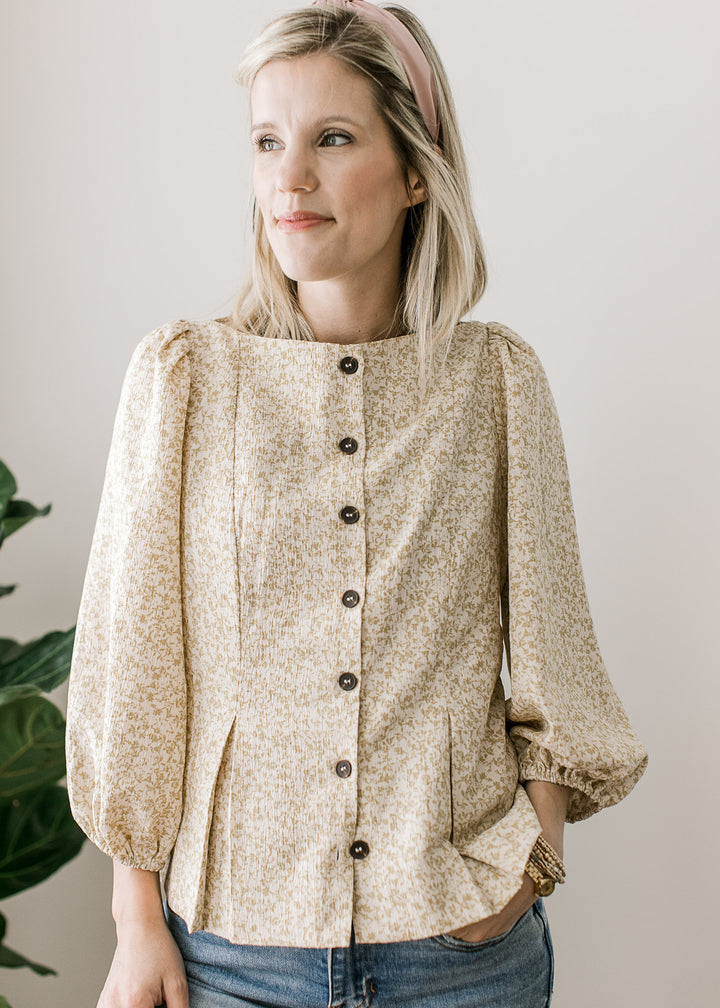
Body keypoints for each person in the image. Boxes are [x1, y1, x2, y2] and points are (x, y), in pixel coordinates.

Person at [65, 3, 649, 1007]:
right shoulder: (183, 381)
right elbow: (135, 671)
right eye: (266, 141)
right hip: (230, 957)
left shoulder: (496, 384)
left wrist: (534, 857)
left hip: (461, 956)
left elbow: (557, 657)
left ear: (417, 170)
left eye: (332, 139)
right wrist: (134, 922)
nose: (288, 179)